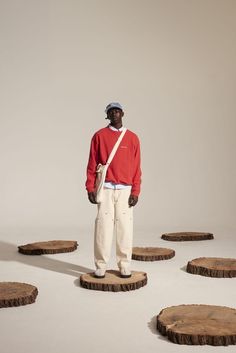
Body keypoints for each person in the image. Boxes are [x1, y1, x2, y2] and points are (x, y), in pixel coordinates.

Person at [86, 102, 141, 278]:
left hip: (125, 189)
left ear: (123, 113)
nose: (115, 113)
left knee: (125, 228)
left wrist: (136, 191)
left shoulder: (133, 138)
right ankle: (101, 264)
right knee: (103, 227)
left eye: (117, 111)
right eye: (111, 111)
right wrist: (90, 187)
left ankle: (124, 264)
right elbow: (92, 164)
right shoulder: (99, 136)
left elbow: (137, 167)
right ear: (107, 115)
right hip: (106, 188)